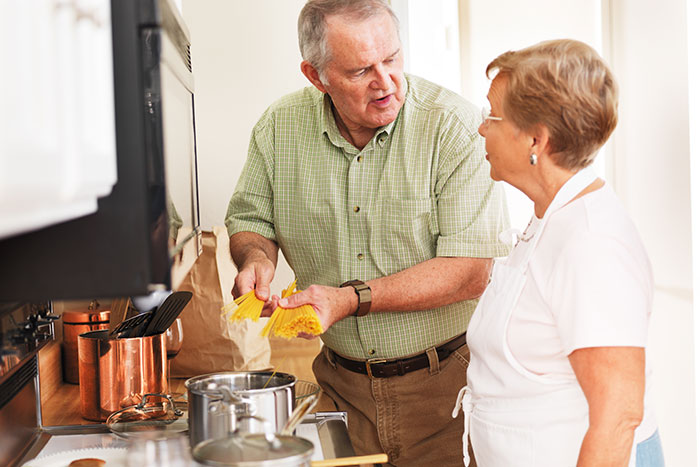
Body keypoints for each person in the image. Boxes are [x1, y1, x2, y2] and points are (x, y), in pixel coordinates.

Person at [224, 0, 509, 465]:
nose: (386, 82)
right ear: (316, 76)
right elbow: (251, 220)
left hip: (447, 393)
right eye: (360, 71)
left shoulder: (453, 129)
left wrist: (350, 299)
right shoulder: (278, 128)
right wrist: (256, 260)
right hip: (340, 394)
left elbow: (471, 270)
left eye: (392, 58)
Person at [452, 39, 664, 466]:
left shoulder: (592, 243)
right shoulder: (551, 218)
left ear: (536, 139)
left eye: (491, 116)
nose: (480, 129)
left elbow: (618, 416)